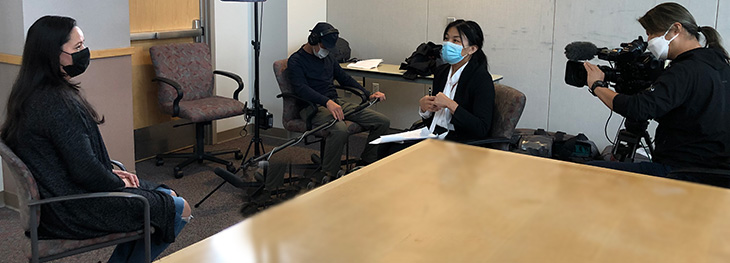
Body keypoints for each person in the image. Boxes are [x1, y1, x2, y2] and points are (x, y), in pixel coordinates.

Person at [0, 16, 190, 262]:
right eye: (77, 48)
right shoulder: (55, 103)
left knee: (165, 194)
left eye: (83, 45)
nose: (84, 52)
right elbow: (84, 171)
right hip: (72, 209)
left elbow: (75, 161)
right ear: (51, 54)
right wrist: (117, 182)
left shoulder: (31, 93)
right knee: (177, 207)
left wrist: (110, 173)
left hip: (58, 202)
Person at [584, 3, 730, 185]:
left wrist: (597, 85)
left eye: (652, 33)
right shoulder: (720, 64)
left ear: (676, 28)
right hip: (715, 175)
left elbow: (637, 108)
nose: (649, 40)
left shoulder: (685, 70)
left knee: (586, 172)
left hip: (680, 173)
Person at [378, 19, 495, 158]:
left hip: (461, 140)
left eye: (455, 41)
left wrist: (451, 105)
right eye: (446, 39)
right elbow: (435, 119)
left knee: (398, 155)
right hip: (435, 133)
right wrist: (425, 110)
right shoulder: (442, 72)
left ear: (472, 49)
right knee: (386, 146)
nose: (447, 44)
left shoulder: (481, 78)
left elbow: (481, 128)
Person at [287, 22, 390, 176]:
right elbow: (302, 89)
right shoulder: (296, 61)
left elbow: (344, 78)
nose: (326, 51)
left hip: (334, 102)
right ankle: (329, 174)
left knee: (382, 122)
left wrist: (368, 93)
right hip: (311, 107)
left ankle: (367, 162)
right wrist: (326, 102)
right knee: (340, 129)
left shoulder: (328, 58)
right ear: (313, 39)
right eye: (324, 47)